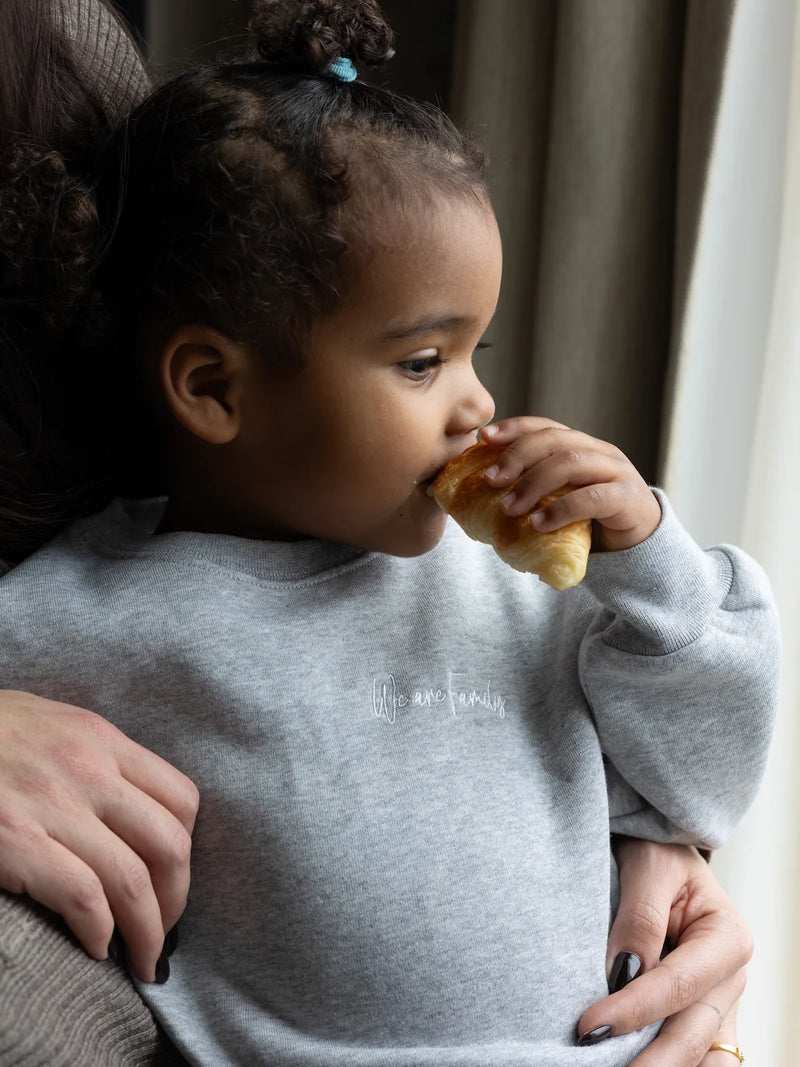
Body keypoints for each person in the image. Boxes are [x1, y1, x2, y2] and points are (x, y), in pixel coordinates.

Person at [0, 0, 778, 1064]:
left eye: (474, 351)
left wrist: (650, 555)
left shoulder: (516, 580)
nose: (476, 404)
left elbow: (702, 773)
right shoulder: (86, 608)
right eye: (421, 362)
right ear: (211, 387)